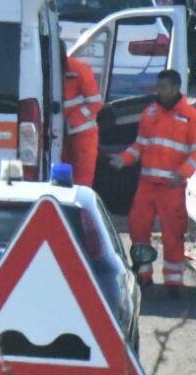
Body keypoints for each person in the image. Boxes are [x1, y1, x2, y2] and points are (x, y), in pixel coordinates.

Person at [112, 70, 196, 296]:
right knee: (138, 230)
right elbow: (139, 146)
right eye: (158, 87)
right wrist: (122, 159)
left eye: (164, 87)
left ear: (176, 88)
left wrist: (183, 173)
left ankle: (174, 283)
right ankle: (143, 276)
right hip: (147, 185)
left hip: (172, 187)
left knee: (173, 235)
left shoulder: (190, 116)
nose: (159, 91)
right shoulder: (149, 113)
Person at [62, 54, 104, 188]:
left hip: (84, 135)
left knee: (82, 182)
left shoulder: (79, 69)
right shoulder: (49, 68)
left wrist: (72, 120)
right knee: (60, 179)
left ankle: (81, 209)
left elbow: (96, 103)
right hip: (61, 135)